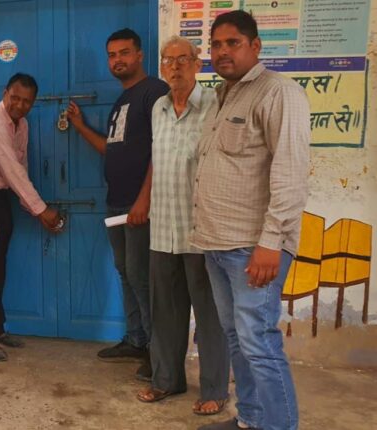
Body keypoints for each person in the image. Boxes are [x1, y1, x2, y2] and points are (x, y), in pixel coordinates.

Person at [192, 11, 310, 430]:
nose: (222, 51)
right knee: (237, 339)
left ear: (255, 46)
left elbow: (291, 172)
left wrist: (271, 242)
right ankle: (251, 419)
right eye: (216, 44)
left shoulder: (278, 93)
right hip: (216, 243)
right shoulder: (223, 96)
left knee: (258, 342)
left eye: (233, 43)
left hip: (252, 247)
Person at [134, 36, 229, 416]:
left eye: (182, 60)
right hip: (163, 228)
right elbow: (158, 160)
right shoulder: (158, 107)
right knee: (166, 312)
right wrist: (145, 199)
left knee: (209, 316)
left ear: (197, 64)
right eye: (168, 60)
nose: (175, 67)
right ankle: (167, 380)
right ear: (161, 67)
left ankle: (215, 389)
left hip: (201, 229)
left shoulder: (215, 104)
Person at [67, 28, 169, 380]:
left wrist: (145, 200)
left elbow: (163, 149)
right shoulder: (122, 100)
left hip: (140, 206)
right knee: (126, 272)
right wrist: (80, 126)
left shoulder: (154, 92)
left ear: (140, 55)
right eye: (112, 55)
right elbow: (111, 150)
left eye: (124, 53)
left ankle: (158, 353)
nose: (117, 60)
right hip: (117, 204)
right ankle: (136, 339)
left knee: (142, 277)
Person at [0, 73, 64, 361]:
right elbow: (10, 169)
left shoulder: (22, 124)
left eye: (27, 101)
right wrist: (41, 209)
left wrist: (32, 209)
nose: (20, 105)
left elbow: (20, 168)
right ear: (5, 94)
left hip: (3, 199)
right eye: (15, 98)